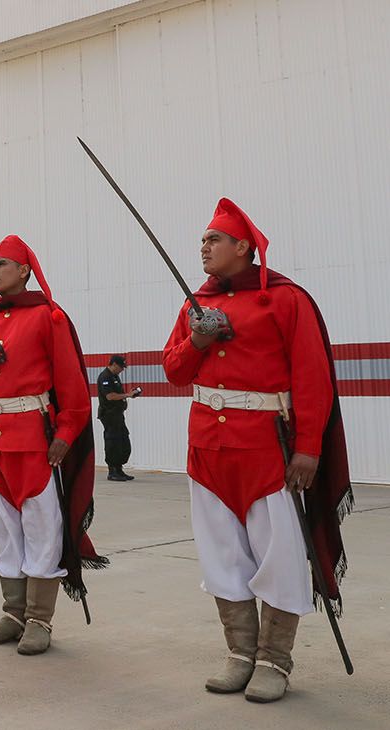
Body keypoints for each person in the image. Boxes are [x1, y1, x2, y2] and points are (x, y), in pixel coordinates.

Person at [162, 198, 351, 703]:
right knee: (221, 555)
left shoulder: (286, 300)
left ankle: (274, 660)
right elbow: (174, 371)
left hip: (268, 449)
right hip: (207, 447)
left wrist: (308, 450)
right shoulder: (195, 305)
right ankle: (240, 654)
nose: (203, 248)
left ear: (243, 247)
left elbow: (313, 380)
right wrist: (198, 341)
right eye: (202, 240)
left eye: (214, 240)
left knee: (279, 557)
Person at [0, 235, 106, 655]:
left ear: (24, 270)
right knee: (6, 528)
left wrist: (64, 435)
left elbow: (73, 388)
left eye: (1, 263)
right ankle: (12, 612)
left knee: (42, 527)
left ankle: (39, 619)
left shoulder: (50, 318)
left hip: (35, 440)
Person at [97, 354, 139, 481]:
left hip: (118, 414)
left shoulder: (114, 376)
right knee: (113, 441)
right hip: (109, 415)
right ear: (114, 364)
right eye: (121, 367)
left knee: (123, 440)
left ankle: (119, 469)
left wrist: (128, 395)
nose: (122, 370)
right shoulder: (105, 377)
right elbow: (110, 396)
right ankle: (112, 471)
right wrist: (127, 395)